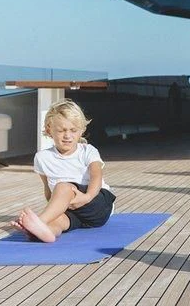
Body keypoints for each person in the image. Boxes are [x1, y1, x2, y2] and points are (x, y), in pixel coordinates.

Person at [12, 99, 116, 242]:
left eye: (73, 130)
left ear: (81, 131)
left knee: (63, 186)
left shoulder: (88, 151)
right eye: (61, 131)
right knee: (57, 219)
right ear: (49, 130)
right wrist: (54, 211)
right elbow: (48, 189)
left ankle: (38, 222)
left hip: (96, 203)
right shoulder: (42, 158)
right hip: (72, 210)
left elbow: (96, 177)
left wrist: (86, 197)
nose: (67, 136)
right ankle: (44, 232)